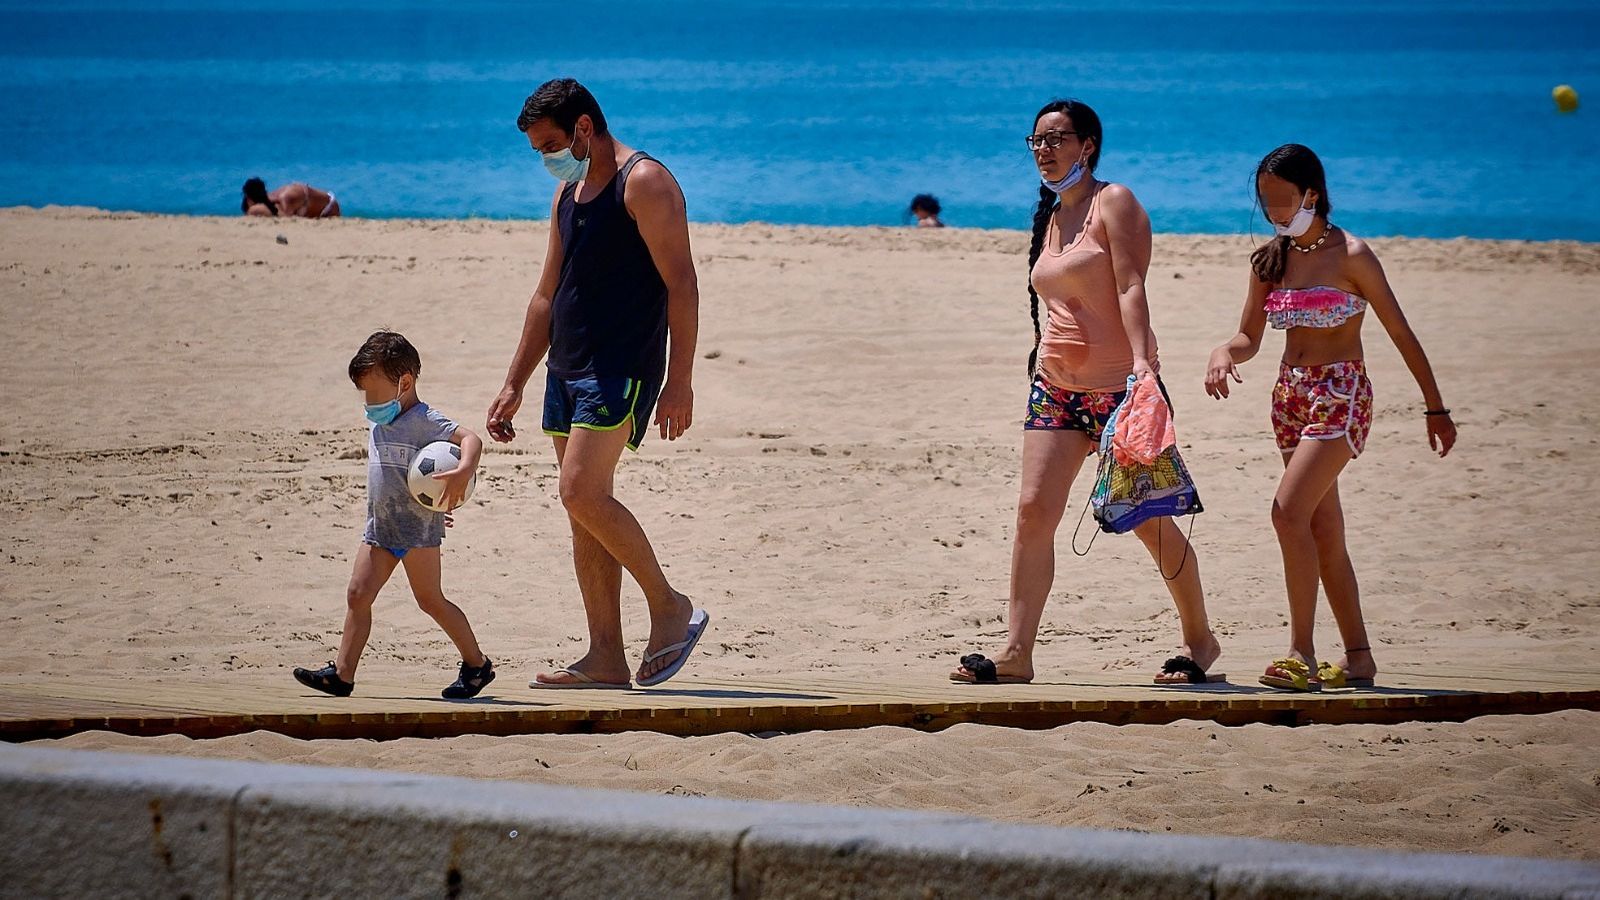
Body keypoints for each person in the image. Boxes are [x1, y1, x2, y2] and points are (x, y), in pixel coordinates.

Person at [952, 99, 1221, 687]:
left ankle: (1200, 641)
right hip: (1054, 390)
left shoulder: (1113, 201)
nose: (1044, 150)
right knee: (1031, 513)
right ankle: (1017, 652)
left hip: (1118, 393)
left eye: (1057, 139)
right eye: (1036, 141)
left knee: (1147, 519)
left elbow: (1130, 286)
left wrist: (1145, 369)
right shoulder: (1050, 215)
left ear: (1088, 145)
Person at [1204, 144, 1457, 692]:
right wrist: (1224, 352)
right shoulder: (1269, 261)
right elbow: (1249, 337)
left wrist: (1434, 406)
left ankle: (1301, 653)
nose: (1273, 213)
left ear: (1311, 195)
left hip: (1340, 393)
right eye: (1266, 203)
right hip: (1288, 397)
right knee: (1323, 528)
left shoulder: (1353, 255)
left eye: (1282, 201)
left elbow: (1400, 332)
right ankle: (1359, 657)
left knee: (1287, 513)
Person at [487, 77, 709, 689]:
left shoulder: (645, 182)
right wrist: (515, 382)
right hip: (567, 366)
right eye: (536, 149)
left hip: (620, 367)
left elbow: (682, 284)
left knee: (580, 492)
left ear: (585, 127)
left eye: (551, 143)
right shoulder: (567, 193)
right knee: (583, 512)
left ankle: (670, 606)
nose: (545, 157)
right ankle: (605, 656)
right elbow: (544, 295)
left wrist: (680, 379)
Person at [293, 331, 494, 699]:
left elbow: (471, 440)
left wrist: (464, 471)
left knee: (431, 601)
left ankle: (477, 664)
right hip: (379, 528)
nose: (369, 404)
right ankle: (342, 674)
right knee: (357, 594)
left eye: (374, 393)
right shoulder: (378, 421)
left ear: (404, 383)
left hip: (417, 532)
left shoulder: (425, 419)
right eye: (364, 395)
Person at [241, 177, 341, 218]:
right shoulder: (273, 199)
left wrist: (254, 211)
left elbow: (285, 217)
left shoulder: (284, 198)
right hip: (318, 208)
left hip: (329, 207)